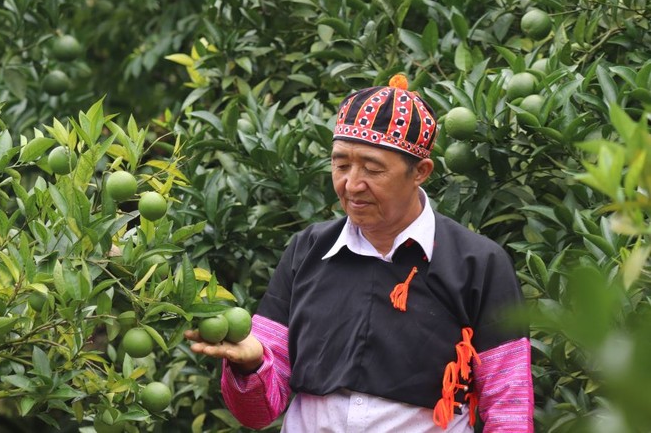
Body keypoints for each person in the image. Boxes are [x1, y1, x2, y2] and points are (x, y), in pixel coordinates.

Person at [185, 74, 534, 432]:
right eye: (341, 164)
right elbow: (258, 412)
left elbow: (509, 407)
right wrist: (251, 364)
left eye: (372, 168)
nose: (351, 184)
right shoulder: (308, 251)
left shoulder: (477, 264)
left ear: (421, 173)